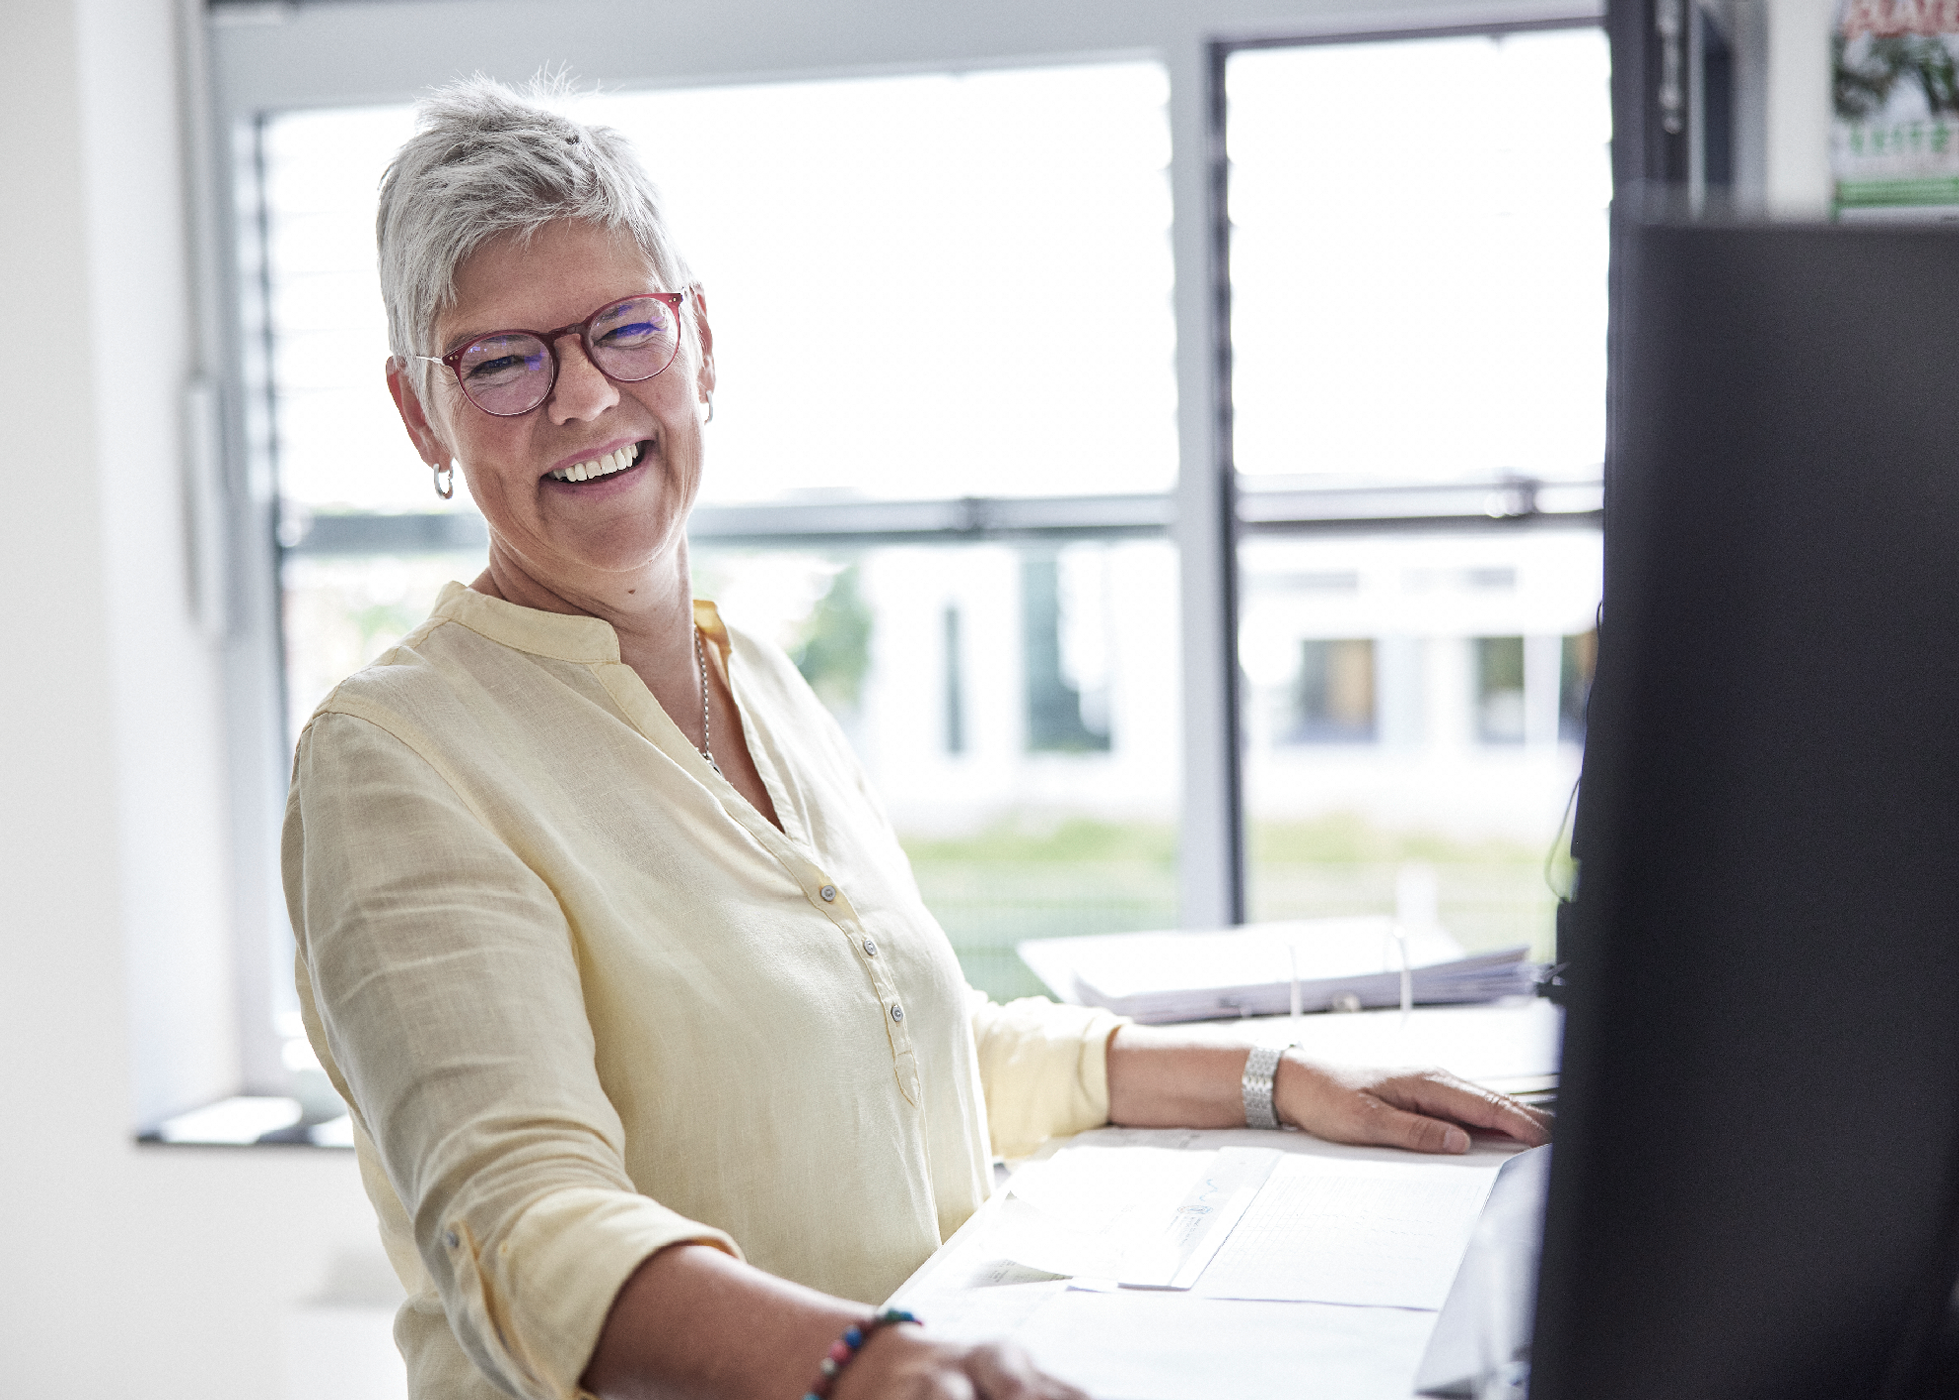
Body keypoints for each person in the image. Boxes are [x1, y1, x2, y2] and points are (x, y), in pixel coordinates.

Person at [282, 76, 1552, 1400]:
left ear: (701, 340)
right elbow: (523, 1230)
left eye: (624, 328)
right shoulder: (396, 758)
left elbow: (920, 1047)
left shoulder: (756, 678)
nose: (586, 397)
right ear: (420, 413)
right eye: (502, 359)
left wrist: (1280, 1077)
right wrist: (865, 1364)